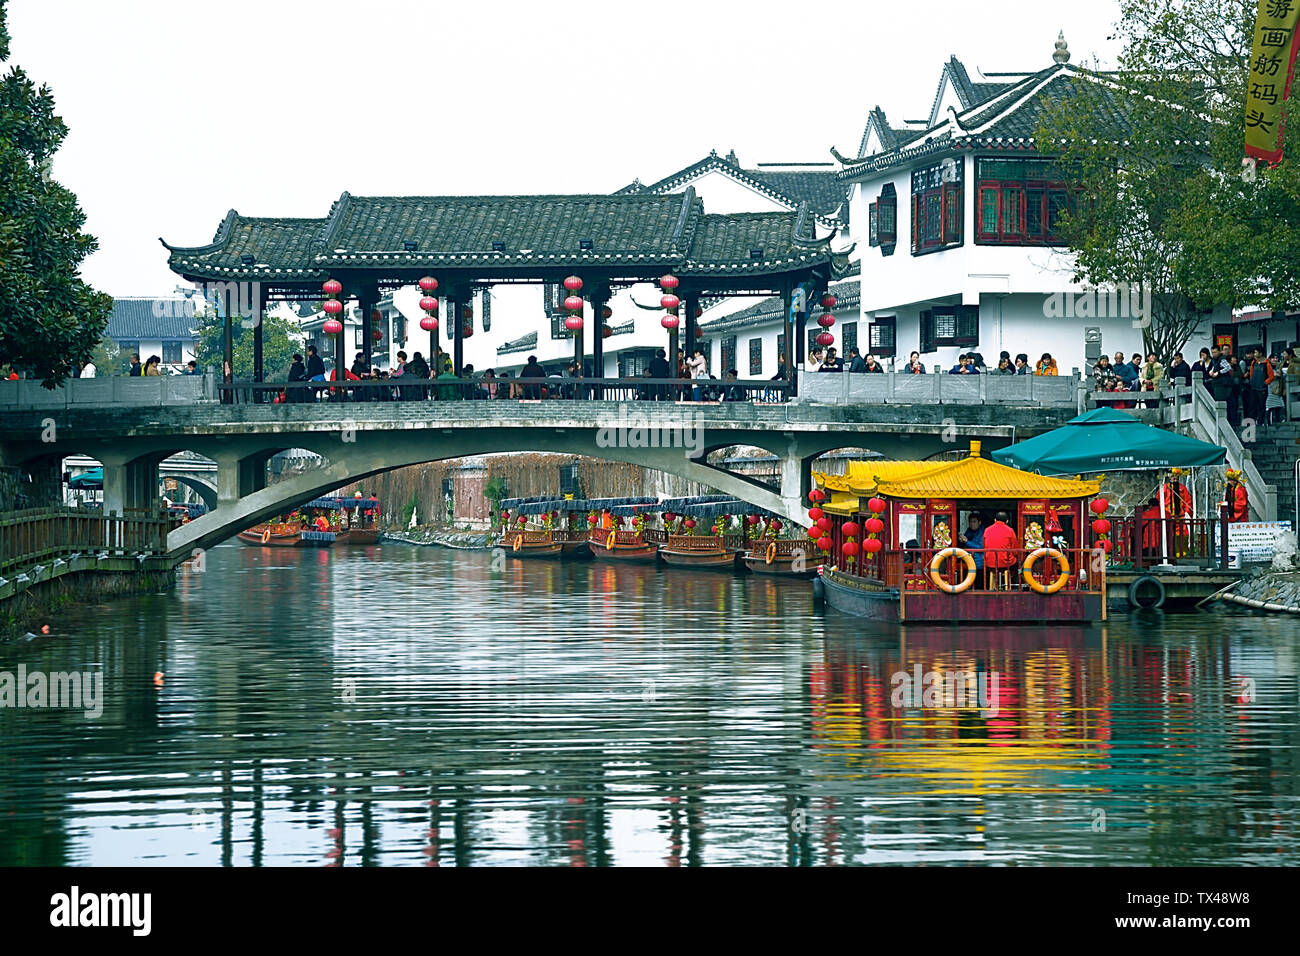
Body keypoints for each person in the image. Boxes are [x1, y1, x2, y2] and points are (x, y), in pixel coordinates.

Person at [981, 511, 1020, 589]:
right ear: (1007, 521)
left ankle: (992, 588)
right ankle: (1013, 587)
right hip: (1005, 562)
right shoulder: (1010, 530)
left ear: (995, 520)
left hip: (990, 562)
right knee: (1018, 563)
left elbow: (984, 545)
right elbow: (1015, 549)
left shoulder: (987, 530)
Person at [957, 512, 985, 586]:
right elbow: (966, 541)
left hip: (979, 562)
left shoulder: (982, 531)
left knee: (978, 584)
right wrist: (962, 541)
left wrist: (966, 541)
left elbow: (980, 547)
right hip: (968, 559)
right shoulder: (969, 530)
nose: (971, 524)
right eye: (970, 522)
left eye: (974, 522)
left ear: (979, 522)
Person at [1246, 346, 1273, 425]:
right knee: (1252, 406)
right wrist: (1252, 381)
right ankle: (1251, 422)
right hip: (1253, 387)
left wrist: (1264, 383)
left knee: (1261, 406)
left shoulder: (1267, 364)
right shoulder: (1253, 363)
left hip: (1262, 389)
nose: (1254, 354)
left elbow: (1271, 377)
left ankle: (1260, 422)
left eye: (1256, 352)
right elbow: (1251, 374)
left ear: (1261, 353)